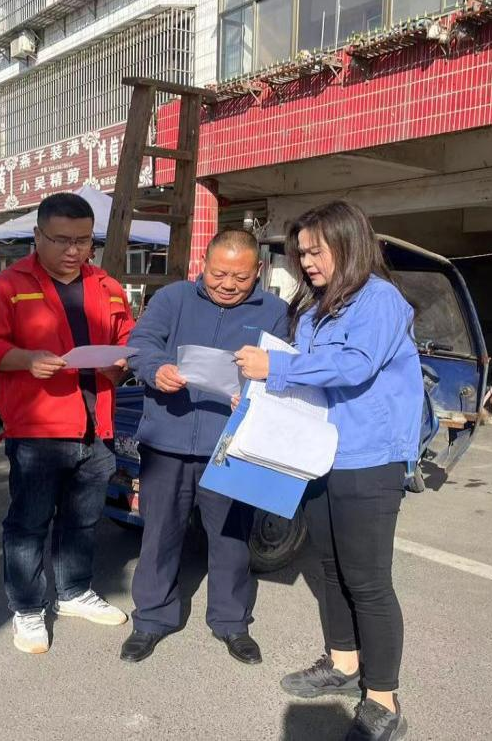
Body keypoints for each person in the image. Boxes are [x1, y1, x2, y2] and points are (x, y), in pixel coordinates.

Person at [234, 201, 422, 741]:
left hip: (370, 457)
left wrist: (276, 366)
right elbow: (307, 381)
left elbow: (354, 364)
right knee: (332, 567)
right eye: (301, 254)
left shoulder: (379, 300)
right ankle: (342, 663)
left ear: (348, 244)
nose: (307, 263)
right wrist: (258, 393)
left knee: (368, 579)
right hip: (319, 453)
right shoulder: (317, 309)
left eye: (316, 252)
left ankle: (382, 699)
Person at [0, 192, 135, 655]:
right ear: (37, 236)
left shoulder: (108, 286)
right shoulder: (7, 286)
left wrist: (122, 363)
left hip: (97, 425)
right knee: (28, 524)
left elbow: (127, 338)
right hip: (37, 429)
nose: (74, 251)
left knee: (84, 519)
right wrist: (25, 359)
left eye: (84, 240)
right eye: (61, 240)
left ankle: (75, 590)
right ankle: (26, 607)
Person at [120, 230, 288, 665]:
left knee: (232, 540)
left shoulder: (273, 312)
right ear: (203, 264)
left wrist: (256, 391)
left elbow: (284, 370)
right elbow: (139, 345)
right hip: (167, 440)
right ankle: (151, 619)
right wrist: (156, 369)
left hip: (232, 446)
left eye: (240, 277)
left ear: (258, 271)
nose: (228, 284)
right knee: (159, 534)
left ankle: (232, 622)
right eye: (219, 274)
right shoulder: (172, 298)